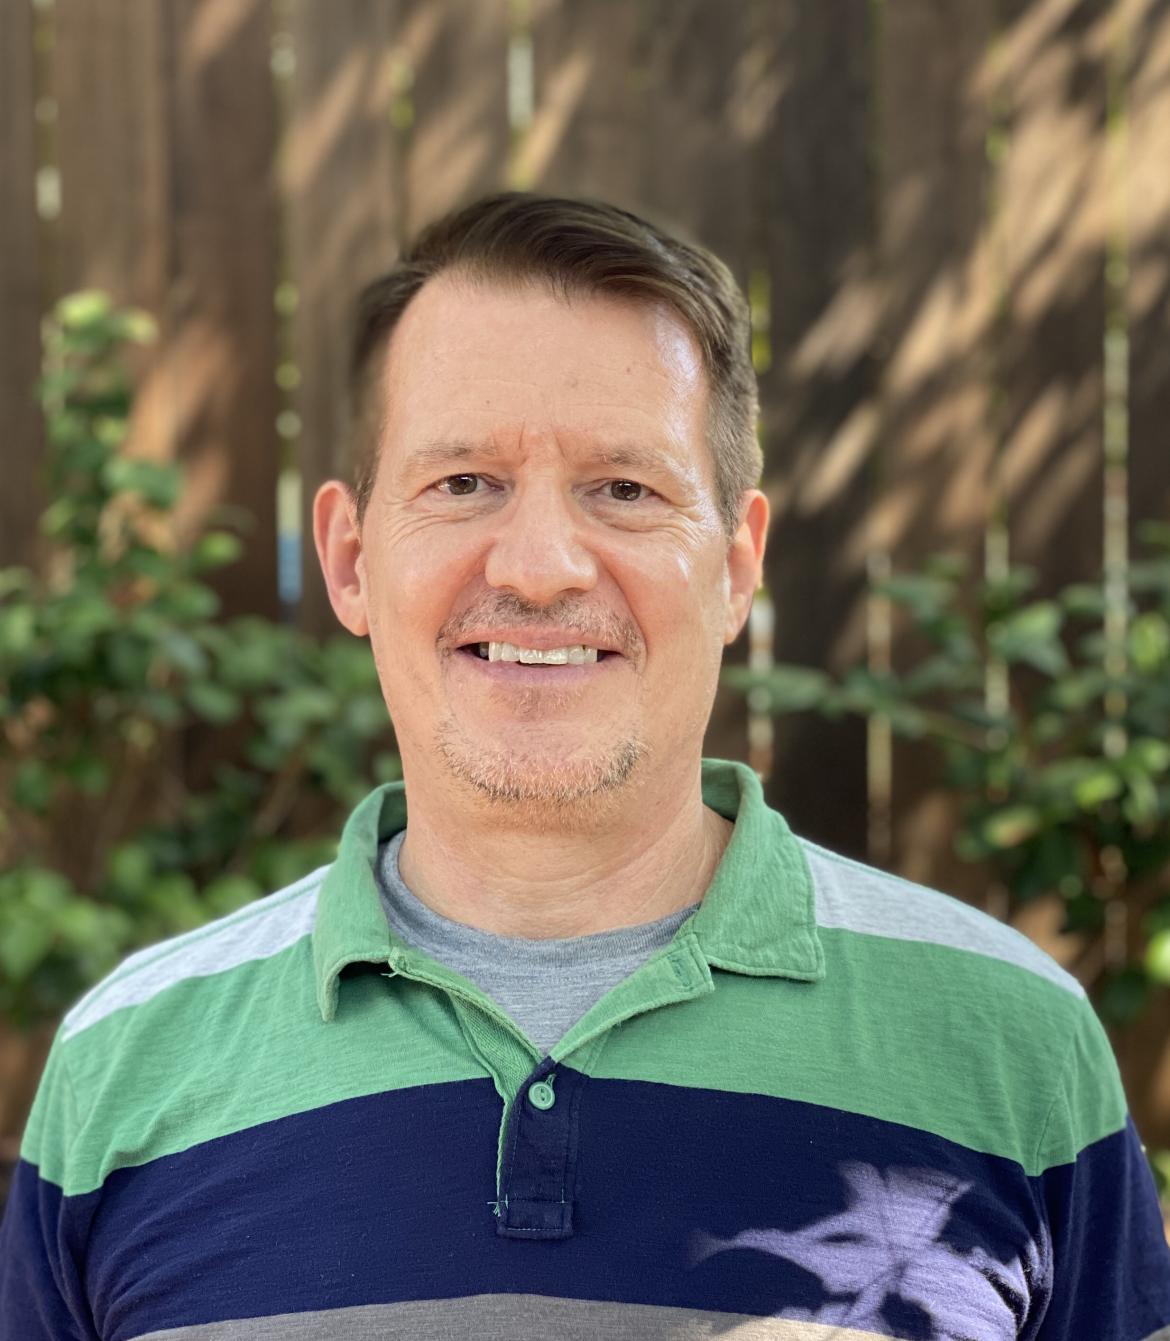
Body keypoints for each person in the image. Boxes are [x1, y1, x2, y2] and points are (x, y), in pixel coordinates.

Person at [2, 192, 1168, 1341]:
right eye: (465, 483)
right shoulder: (127, 1066)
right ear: (351, 561)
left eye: (625, 488)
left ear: (736, 563)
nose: (547, 565)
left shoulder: (1011, 1047)